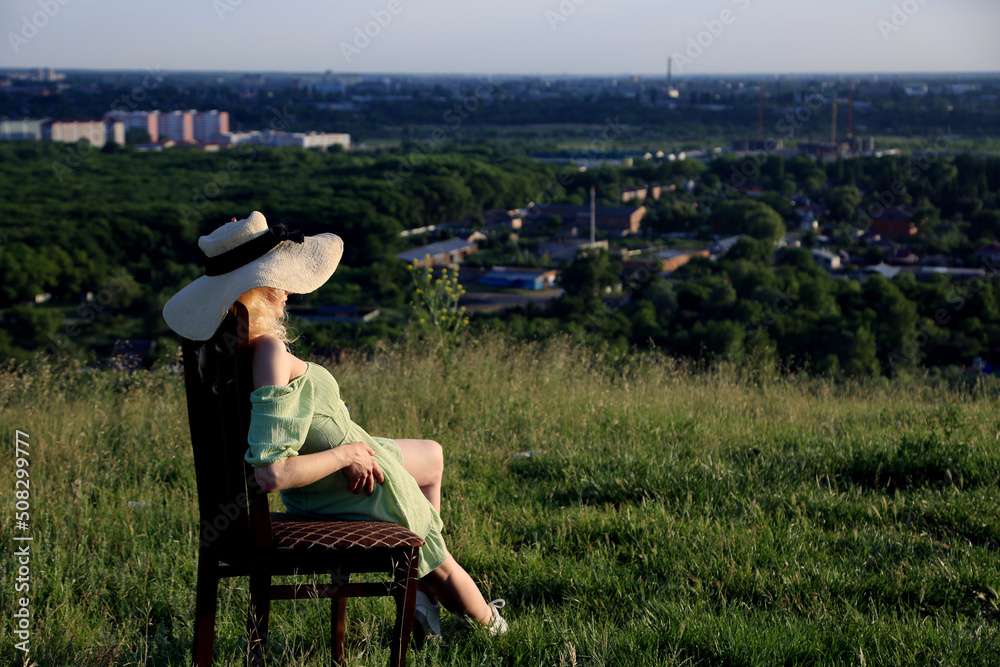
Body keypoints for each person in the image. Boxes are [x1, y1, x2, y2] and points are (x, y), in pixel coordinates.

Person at [163, 211, 506, 639]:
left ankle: (417, 593)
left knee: (432, 455)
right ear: (262, 289)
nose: (287, 289)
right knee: (441, 561)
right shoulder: (268, 351)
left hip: (336, 473)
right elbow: (271, 473)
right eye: (279, 279)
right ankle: (492, 627)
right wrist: (346, 454)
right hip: (351, 485)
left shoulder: (218, 356)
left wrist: (353, 448)